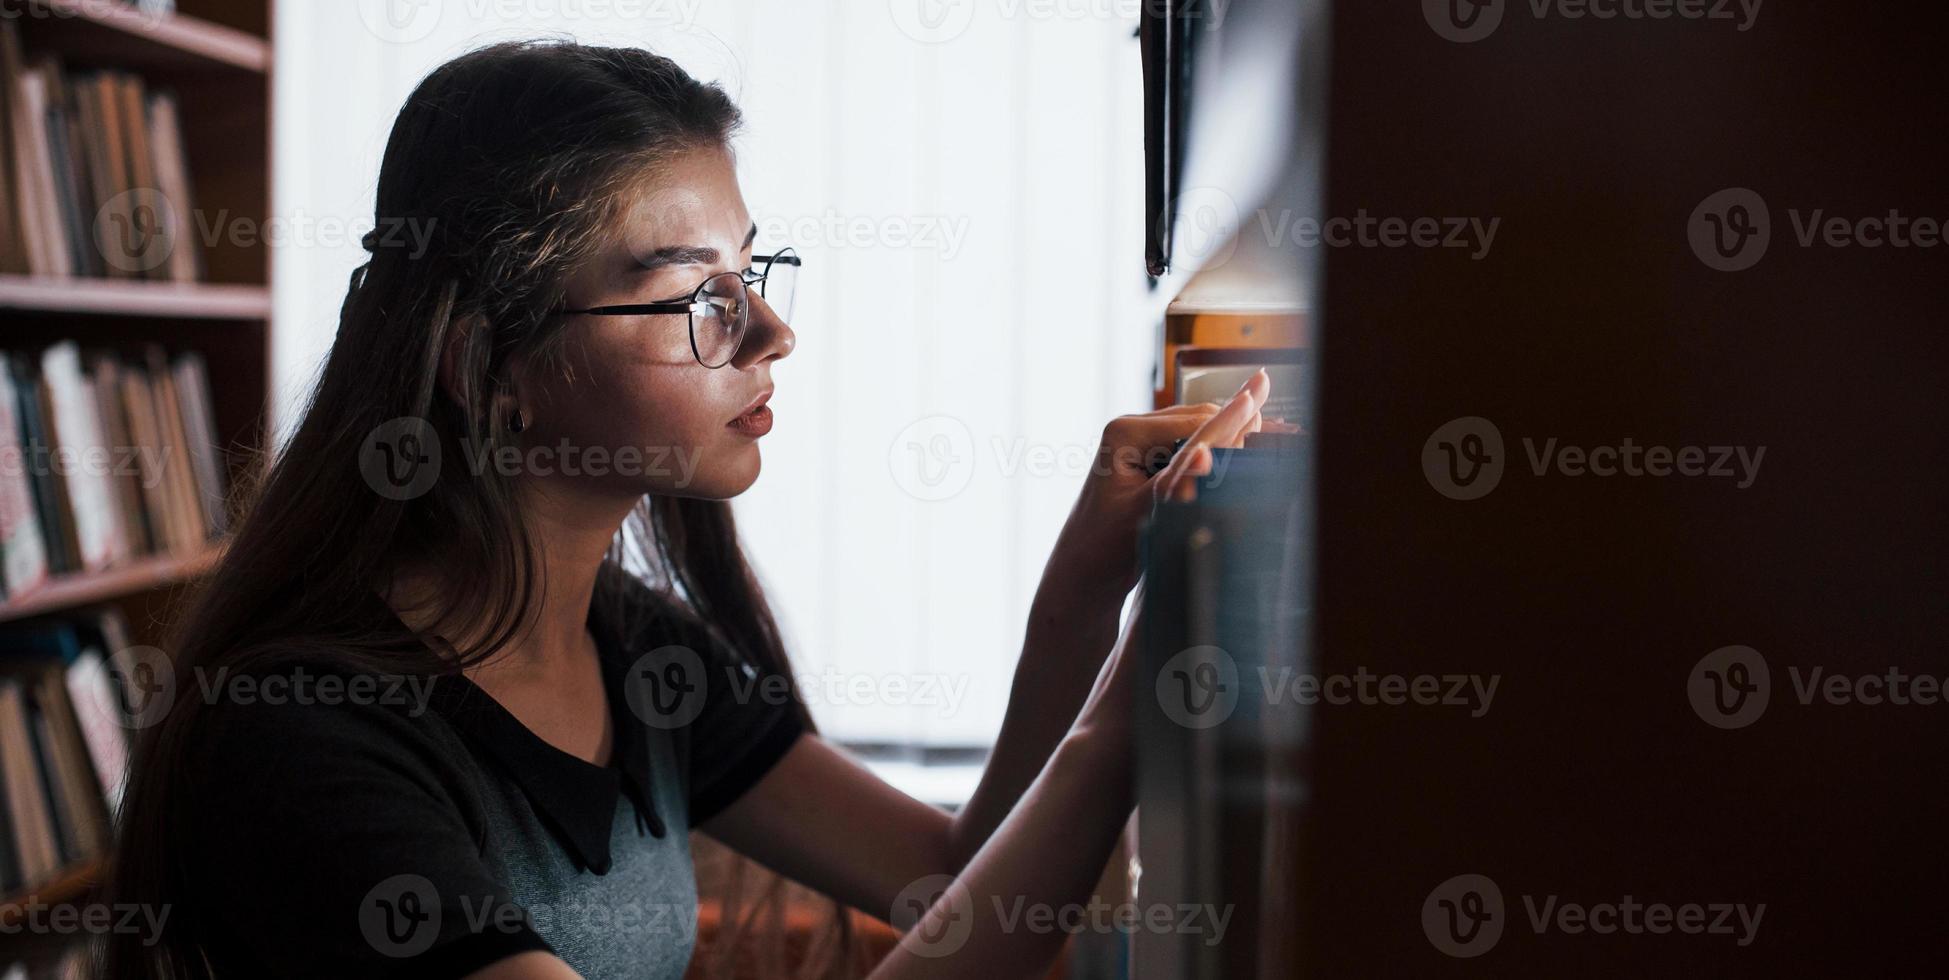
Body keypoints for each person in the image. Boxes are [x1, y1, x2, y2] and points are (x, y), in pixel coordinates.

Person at [102, 39, 1269, 980]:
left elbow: (952, 878)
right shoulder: (303, 741)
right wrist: (1112, 734)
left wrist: (1080, 595)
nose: (769, 332)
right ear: (481, 365)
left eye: (752, 276)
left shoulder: (626, 640)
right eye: (694, 296)